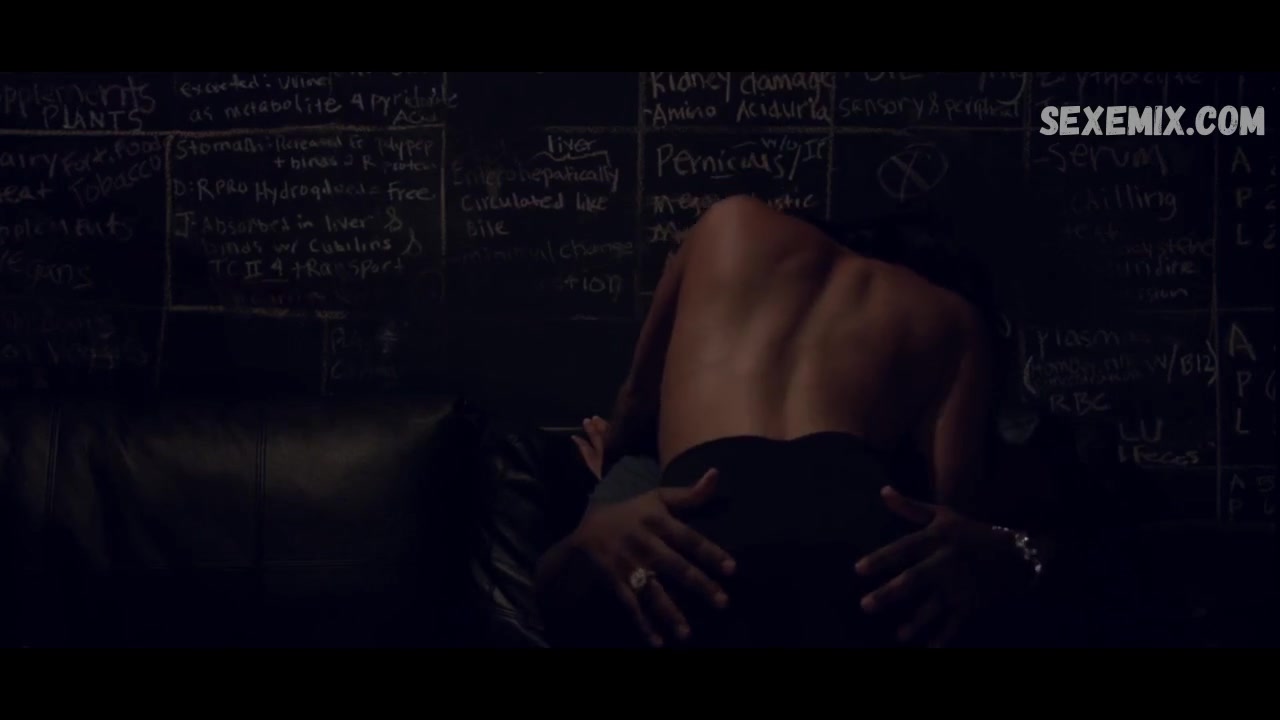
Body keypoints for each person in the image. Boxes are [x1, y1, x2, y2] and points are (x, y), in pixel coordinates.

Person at [535, 196, 1034, 647]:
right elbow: (948, 514)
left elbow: (636, 399)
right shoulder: (957, 317)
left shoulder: (731, 222)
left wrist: (611, 471)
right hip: (859, 541)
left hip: (705, 524)